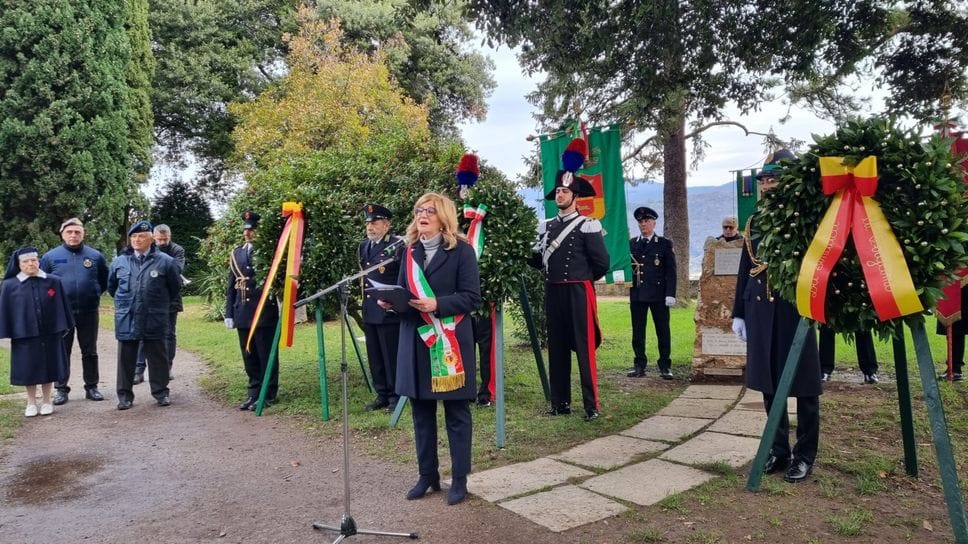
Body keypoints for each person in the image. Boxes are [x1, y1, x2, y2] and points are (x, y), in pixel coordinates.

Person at [381, 192, 481, 505]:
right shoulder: (409, 251)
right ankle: (428, 476)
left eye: (430, 211)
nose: (422, 215)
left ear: (443, 217)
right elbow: (405, 294)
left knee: (456, 413)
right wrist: (393, 304)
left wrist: (437, 303)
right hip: (416, 341)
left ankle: (460, 479)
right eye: (419, 210)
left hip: (449, 342)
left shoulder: (462, 251)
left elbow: (472, 297)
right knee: (421, 413)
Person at [731, 158, 822, 483]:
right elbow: (746, 267)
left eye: (774, 180)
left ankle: (805, 455)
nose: (767, 186)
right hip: (760, 311)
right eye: (764, 181)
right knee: (769, 384)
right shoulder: (755, 221)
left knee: (805, 387)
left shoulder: (803, 218)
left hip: (794, 310)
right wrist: (738, 312)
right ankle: (778, 449)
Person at [528, 166, 610, 421]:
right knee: (557, 347)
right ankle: (560, 402)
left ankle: (591, 405)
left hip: (578, 291)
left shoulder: (588, 224)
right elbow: (538, 262)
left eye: (565, 191)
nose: (560, 195)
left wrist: (581, 278)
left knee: (584, 348)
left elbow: (602, 263)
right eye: (558, 191)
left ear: (575, 195)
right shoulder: (546, 227)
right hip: (553, 290)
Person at [108, 221, 182, 410]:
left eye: (141, 236)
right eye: (133, 236)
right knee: (125, 359)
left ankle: (161, 393)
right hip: (128, 316)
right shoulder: (119, 262)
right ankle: (124, 396)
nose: (137, 240)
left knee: (158, 356)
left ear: (151, 239)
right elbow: (112, 288)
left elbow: (174, 288)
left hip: (154, 315)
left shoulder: (166, 261)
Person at [40, 217, 109, 404]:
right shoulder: (50, 257)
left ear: (83, 234)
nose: (73, 235)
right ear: (62, 234)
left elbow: (103, 281)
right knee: (62, 351)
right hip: (62, 313)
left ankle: (92, 387)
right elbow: (44, 284)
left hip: (88, 311)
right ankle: (61, 389)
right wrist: (55, 296)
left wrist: (93, 292)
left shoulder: (95, 256)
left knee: (90, 351)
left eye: (77, 232)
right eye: (69, 232)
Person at [0, 247, 73, 417]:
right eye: (25, 261)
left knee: (50, 366)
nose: (30, 264)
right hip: (24, 335)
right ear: (19, 264)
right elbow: (5, 310)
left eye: (33, 260)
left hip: (50, 333)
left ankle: (47, 401)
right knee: (28, 368)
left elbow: (62, 306)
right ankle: (31, 402)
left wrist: (63, 326)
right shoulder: (10, 285)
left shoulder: (53, 281)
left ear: (38, 261)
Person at [225, 211, 281, 410]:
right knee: (249, 355)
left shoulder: (269, 251)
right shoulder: (237, 253)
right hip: (242, 311)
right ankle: (254, 391)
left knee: (266, 354)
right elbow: (231, 286)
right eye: (246, 230)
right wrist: (229, 313)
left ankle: (268, 393)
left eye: (252, 230)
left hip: (264, 312)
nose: (247, 233)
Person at [359, 203, 404, 412]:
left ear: (386, 225)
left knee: (390, 355)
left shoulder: (397, 245)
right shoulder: (363, 246)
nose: (370, 227)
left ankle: (396, 396)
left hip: (388, 309)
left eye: (375, 223)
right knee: (375, 355)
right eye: (368, 223)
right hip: (370, 308)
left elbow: (402, 277)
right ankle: (382, 394)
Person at [626, 206, 677, 379]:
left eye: (647, 221)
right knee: (638, 332)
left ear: (654, 223)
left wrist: (670, 294)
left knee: (662, 331)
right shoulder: (632, 244)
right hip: (638, 294)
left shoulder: (664, 244)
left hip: (659, 295)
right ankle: (639, 365)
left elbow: (671, 272)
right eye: (640, 221)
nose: (643, 224)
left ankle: (665, 365)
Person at [134, 224, 186, 384]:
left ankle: (167, 367)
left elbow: (176, 270)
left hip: (170, 297)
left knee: (169, 334)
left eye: (165, 239)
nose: (162, 242)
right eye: (159, 239)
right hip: (147, 298)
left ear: (169, 237)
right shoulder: (146, 249)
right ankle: (138, 369)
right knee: (142, 333)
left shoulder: (177, 250)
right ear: (153, 238)